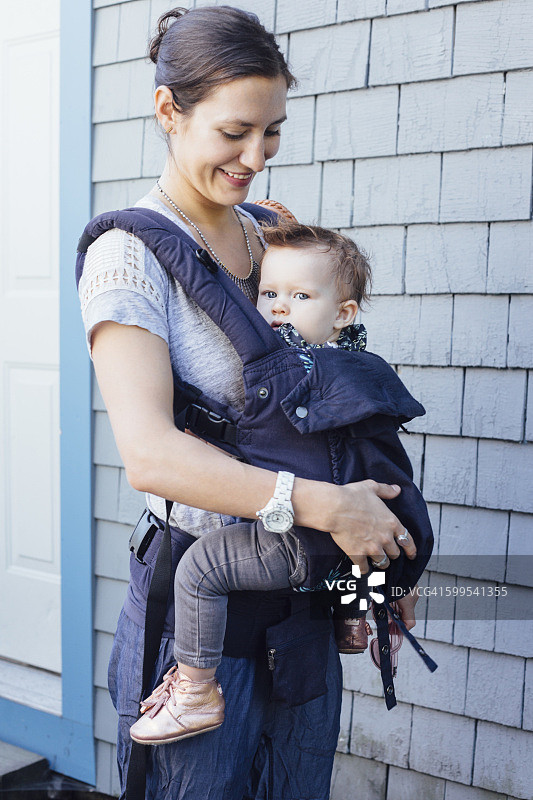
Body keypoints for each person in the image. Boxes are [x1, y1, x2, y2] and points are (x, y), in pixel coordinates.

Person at [78, 7, 418, 799]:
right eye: (235, 132)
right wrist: (330, 506)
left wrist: (360, 574)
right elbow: (151, 454)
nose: (255, 158)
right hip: (204, 621)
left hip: (301, 604)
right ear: (170, 111)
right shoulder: (129, 257)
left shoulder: (274, 236)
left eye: (271, 133)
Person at [128, 221, 393, 746]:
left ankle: (197, 693)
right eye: (269, 292)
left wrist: (147, 232)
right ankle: (350, 621)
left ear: (343, 313)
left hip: (300, 535)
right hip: (342, 538)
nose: (277, 307)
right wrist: (398, 573)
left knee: (200, 568)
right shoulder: (360, 367)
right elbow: (389, 469)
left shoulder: (293, 366)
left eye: (298, 295)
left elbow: (222, 304)